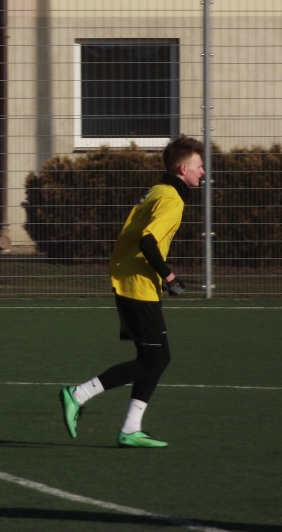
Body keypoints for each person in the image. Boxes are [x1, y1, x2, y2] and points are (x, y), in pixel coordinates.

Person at [59, 135, 205, 449]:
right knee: (151, 360)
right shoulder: (172, 200)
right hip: (137, 284)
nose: (203, 172)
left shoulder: (158, 189)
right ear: (183, 169)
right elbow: (148, 242)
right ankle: (78, 394)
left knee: (160, 357)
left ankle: (131, 428)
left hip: (132, 278)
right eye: (199, 166)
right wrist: (169, 276)